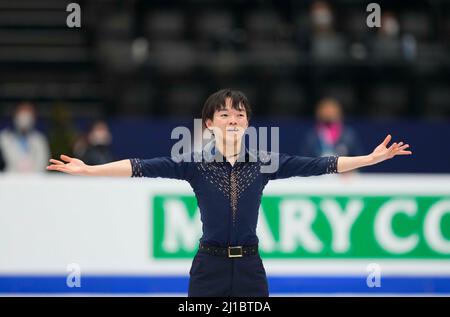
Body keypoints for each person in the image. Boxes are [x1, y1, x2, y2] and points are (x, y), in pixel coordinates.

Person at [47, 89, 412, 297]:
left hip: (251, 269)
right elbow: (140, 166)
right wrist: (90, 169)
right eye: (224, 115)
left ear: (248, 123)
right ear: (209, 125)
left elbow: (323, 165)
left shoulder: (265, 162)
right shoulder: (193, 164)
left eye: (239, 115)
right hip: (209, 269)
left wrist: (369, 158)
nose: (233, 120)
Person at [0, 102, 50, 173]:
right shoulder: (4, 137)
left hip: (35, 180)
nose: (25, 118)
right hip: (9, 179)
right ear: (15, 116)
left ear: (34, 117)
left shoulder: (39, 139)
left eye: (28, 115)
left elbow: (43, 162)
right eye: (22, 114)